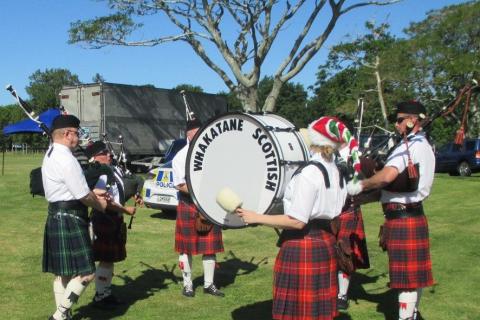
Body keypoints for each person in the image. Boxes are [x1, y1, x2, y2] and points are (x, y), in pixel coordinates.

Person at [237, 116, 359, 320]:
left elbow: (297, 220)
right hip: (326, 242)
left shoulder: (309, 174)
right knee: (316, 311)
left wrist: (257, 217)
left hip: (302, 245)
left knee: (296, 312)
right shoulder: (336, 171)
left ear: (314, 141)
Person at [348, 101, 435, 320]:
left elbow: (387, 177)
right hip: (413, 215)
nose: (396, 125)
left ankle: (406, 317)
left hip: (402, 217)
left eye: (399, 120)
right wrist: (363, 198)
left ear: (411, 120)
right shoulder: (422, 144)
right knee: (414, 278)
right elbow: (393, 186)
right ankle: (412, 314)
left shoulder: (411, 146)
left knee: (406, 279)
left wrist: (361, 186)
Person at [42, 115, 107, 320]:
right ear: (68, 134)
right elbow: (83, 195)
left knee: (64, 273)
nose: (79, 137)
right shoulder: (66, 158)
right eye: (77, 133)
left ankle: (65, 316)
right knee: (86, 272)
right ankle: (60, 315)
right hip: (70, 216)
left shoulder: (51, 153)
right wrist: (101, 204)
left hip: (56, 214)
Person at [172, 118, 225, 298]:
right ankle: (188, 285)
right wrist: (200, 195)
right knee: (186, 248)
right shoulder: (180, 156)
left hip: (209, 205)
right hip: (190, 204)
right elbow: (180, 184)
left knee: (209, 247)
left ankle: (209, 284)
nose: (201, 136)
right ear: (189, 134)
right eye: (197, 132)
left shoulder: (212, 152)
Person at [84, 141, 137, 309]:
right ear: (95, 157)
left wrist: (135, 194)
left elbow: (118, 190)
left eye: (108, 152)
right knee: (106, 259)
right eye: (104, 153)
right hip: (105, 217)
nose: (109, 155)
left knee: (109, 260)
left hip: (114, 218)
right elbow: (102, 199)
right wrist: (125, 210)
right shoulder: (99, 174)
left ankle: (105, 293)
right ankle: (101, 296)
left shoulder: (110, 169)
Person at [335, 145, 370, 310]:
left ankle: (342, 293)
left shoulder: (355, 157)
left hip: (348, 209)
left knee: (345, 252)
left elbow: (364, 182)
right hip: (329, 209)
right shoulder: (325, 153)